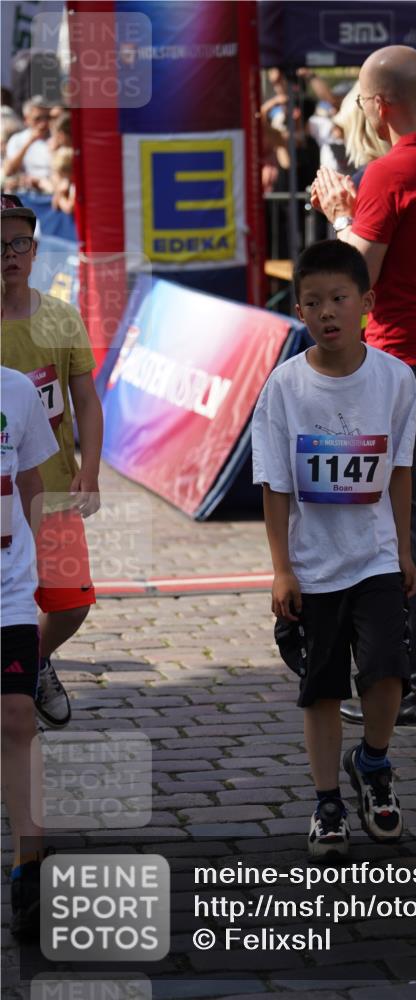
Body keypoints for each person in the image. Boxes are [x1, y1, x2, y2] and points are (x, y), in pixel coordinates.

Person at [311, 45, 416, 723]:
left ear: (379, 104)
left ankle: (413, 690)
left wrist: (339, 220)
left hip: (400, 366)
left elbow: (361, 279)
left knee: (403, 530)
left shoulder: (390, 170)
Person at [252, 240, 416, 857]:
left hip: (374, 556)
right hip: (314, 567)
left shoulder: (396, 381)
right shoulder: (284, 388)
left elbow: (399, 470)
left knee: (388, 674)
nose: (328, 312)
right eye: (314, 302)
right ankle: (326, 803)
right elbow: (274, 483)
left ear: (366, 304)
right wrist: (281, 569)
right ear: (299, 310)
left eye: (339, 299)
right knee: (321, 688)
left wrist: (403, 550)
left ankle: (373, 763)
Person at [1, 193, 103, 729]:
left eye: (19, 242)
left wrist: (91, 469)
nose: (9, 254)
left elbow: (85, 397)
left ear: (35, 251)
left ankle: (33, 661)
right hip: (1, 503)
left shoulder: (61, 317)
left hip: (55, 490)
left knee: (71, 602)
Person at [1, 363, 59, 937]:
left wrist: (32, 555)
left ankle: (29, 866)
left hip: (7, 588)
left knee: (17, 716)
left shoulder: (16, 389)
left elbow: (33, 483)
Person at [3, 96, 53, 189]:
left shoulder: (57, 137)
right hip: (27, 194)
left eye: (47, 118)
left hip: (51, 191)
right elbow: (9, 171)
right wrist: (29, 142)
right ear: (26, 119)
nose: (43, 123)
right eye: (37, 119)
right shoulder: (17, 139)